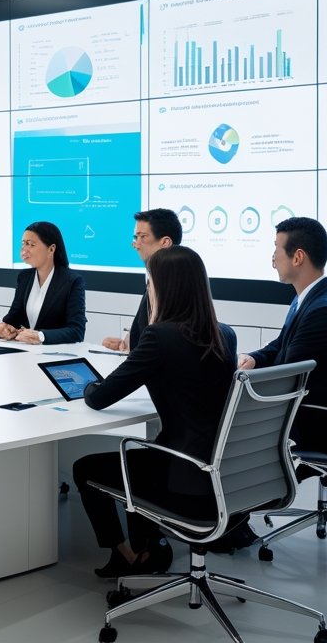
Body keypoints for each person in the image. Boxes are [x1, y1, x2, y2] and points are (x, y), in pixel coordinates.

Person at [73, 245, 237, 578]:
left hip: (184, 477)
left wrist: (87, 385)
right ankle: (150, 546)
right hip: (223, 476)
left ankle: (128, 555)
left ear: (162, 288)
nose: (148, 290)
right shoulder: (225, 335)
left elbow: (100, 398)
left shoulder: (160, 337)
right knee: (141, 459)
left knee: (86, 468)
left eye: (150, 283)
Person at [238, 217, 327, 468]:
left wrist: (240, 383)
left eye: (276, 249)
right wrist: (254, 358)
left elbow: (287, 376)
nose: (273, 259)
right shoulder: (312, 298)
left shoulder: (324, 311)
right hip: (319, 417)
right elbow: (283, 344)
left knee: (232, 433)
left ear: (298, 257)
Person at [0, 221, 86, 344]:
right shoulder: (24, 277)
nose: (24, 249)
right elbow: (14, 316)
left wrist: (41, 336)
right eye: (23, 244)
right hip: (25, 352)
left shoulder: (73, 281)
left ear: (51, 249)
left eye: (30, 244)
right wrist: (6, 327)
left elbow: (77, 331)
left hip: (56, 354)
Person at [101, 208, 181, 353]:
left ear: (165, 242)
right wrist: (126, 343)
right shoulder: (153, 280)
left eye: (142, 237)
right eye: (135, 237)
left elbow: (165, 340)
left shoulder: (174, 285)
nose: (136, 245)